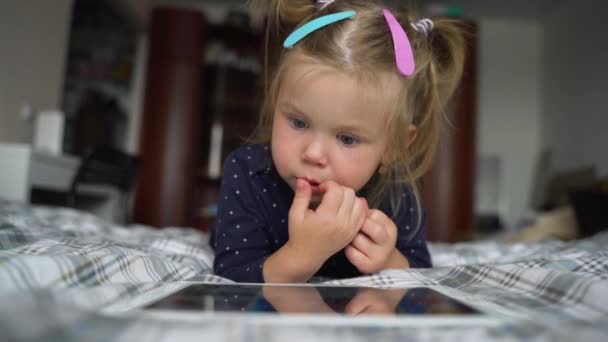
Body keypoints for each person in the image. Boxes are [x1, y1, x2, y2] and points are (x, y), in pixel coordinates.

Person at [211, 0, 465, 283]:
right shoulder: (248, 173)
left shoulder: (396, 195)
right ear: (275, 101)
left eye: (347, 138)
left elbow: (420, 273)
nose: (314, 153)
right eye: (298, 122)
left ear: (394, 147)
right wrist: (302, 255)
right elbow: (232, 276)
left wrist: (389, 261)